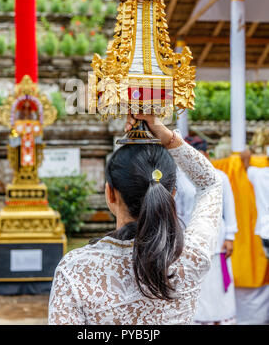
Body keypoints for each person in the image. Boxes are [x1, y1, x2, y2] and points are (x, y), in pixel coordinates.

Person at [48, 114, 222, 325]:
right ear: (173, 193)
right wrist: (167, 136)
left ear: (110, 193)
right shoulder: (192, 256)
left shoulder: (76, 269)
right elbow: (210, 184)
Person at [175, 136, 238, 325]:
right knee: (195, 283)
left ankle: (221, 319)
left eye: (200, 155)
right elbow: (177, 210)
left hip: (216, 241)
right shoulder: (179, 179)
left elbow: (229, 209)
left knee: (217, 285)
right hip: (189, 241)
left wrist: (230, 236)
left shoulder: (221, 177)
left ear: (206, 154)